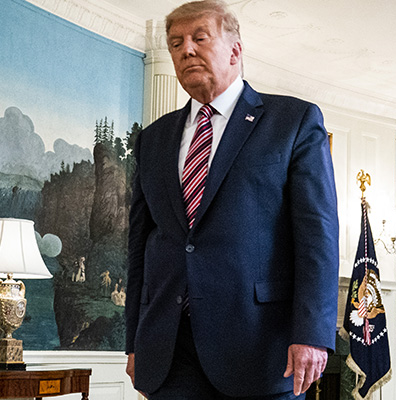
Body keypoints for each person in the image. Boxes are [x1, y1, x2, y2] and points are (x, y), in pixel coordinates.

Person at [124, 1, 339, 399]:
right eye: (175, 43)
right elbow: (140, 245)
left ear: (235, 50)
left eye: (199, 38)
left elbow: (318, 238)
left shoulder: (293, 122)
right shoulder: (152, 139)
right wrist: (135, 340)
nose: (185, 49)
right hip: (170, 350)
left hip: (262, 348)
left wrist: (312, 333)